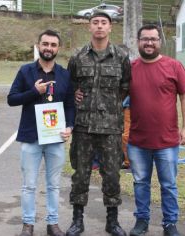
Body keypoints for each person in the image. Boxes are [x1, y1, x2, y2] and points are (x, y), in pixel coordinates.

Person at [66, 11, 131, 236]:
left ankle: (112, 222)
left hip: (111, 128)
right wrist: (76, 94)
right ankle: (77, 220)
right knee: (80, 174)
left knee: (112, 174)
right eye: (95, 23)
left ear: (110, 27)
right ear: (89, 27)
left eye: (104, 23)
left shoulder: (121, 57)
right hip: (83, 127)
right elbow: (71, 85)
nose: (100, 26)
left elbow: (125, 87)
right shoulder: (77, 57)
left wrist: (109, 104)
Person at [7, 29, 75, 236]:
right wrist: (34, 92)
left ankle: (52, 224)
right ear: (38, 46)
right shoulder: (26, 71)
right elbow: (11, 99)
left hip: (55, 138)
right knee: (29, 185)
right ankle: (28, 225)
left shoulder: (64, 74)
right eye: (45, 44)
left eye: (53, 45)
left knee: (54, 185)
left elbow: (71, 105)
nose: (49, 48)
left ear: (58, 48)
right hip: (31, 136)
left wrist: (69, 126)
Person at [128, 24, 185, 236]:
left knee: (168, 185)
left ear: (160, 42)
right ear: (138, 42)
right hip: (138, 141)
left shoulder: (174, 66)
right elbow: (114, 96)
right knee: (140, 184)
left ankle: (170, 223)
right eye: (145, 39)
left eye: (153, 39)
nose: (149, 43)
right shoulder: (130, 69)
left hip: (167, 141)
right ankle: (142, 221)